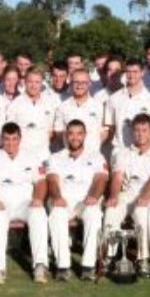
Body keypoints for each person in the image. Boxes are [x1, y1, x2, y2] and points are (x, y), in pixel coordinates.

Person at [104, 114, 150, 277]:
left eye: (144, 130)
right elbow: (118, 177)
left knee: (142, 213)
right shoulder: (123, 153)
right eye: (136, 130)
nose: (140, 134)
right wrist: (113, 196)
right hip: (127, 194)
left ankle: (143, 259)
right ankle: (109, 256)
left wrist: (144, 198)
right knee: (111, 211)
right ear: (132, 132)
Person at [0, 123, 50, 283]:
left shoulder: (31, 157)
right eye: (6, 139)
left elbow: (41, 182)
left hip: (25, 202)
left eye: (14, 139)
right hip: (1, 203)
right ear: (2, 139)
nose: (10, 143)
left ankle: (40, 265)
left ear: (20, 139)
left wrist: (38, 199)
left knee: (39, 213)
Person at [45, 120, 109, 281]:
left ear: (85, 135)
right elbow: (52, 180)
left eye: (79, 133)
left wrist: (94, 196)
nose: (75, 137)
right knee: (57, 214)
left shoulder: (96, 156)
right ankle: (63, 266)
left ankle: (88, 266)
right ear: (66, 135)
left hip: (86, 201)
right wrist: (57, 197)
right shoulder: (55, 157)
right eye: (71, 133)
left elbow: (100, 179)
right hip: (64, 202)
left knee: (94, 215)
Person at [105, 59, 150, 153]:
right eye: (128, 72)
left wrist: (145, 149)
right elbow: (110, 128)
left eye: (135, 72)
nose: (131, 75)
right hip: (120, 151)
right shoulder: (114, 99)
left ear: (142, 73)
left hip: (142, 153)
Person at [5, 66, 59, 163]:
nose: (33, 86)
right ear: (25, 82)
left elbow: (53, 131)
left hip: (44, 156)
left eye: (37, 82)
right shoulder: (14, 105)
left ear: (42, 83)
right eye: (30, 82)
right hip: (22, 157)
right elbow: (10, 134)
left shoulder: (50, 103)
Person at [54, 69, 107, 156]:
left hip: (92, 157)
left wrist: (93, 145)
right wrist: (72, 146)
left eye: (83, 82)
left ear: (89, 83)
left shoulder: (99, 106)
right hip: (69, 157)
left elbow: (105, 132)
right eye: (76, 82)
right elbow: (59, 132)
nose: (79, 85)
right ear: (70, 83)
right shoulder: (62, 107)